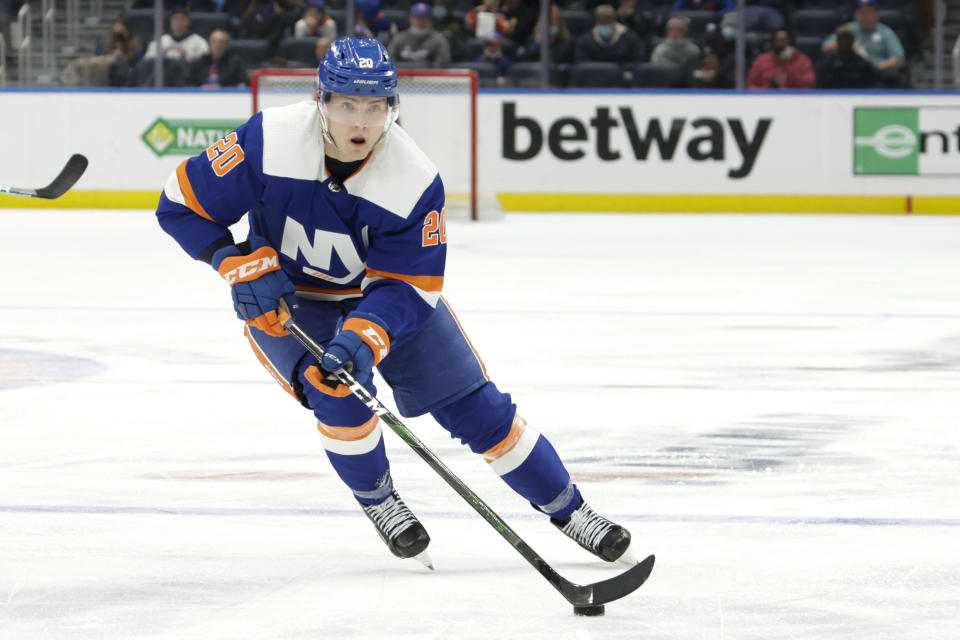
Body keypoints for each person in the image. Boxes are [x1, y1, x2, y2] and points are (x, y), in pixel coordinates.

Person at [155, 36, 633, 568]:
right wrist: (234, 261)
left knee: (478, 409)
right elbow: (180, 205)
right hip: (290, 302)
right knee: (334, 394)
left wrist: (363, 337)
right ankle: (379, 500)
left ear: (392, 108)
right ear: (321, 100)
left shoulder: (414, 179)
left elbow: (409, 284)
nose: (360, 122)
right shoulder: (269, 139)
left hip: (381, 301)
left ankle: (570, 509)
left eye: (375, 107)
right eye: (347, 105)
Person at [822, 0, 905, 87]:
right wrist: (848, 45)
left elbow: (898, 58)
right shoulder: (848, 29)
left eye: (869, 12)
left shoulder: (885, 32)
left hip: (876, 78)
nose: (865, 16)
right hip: (849, 76)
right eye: (861, 12)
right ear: (855, 15)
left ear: (877, 14)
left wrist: (876, 68)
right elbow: (826, 47)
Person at [387, 2, 452, 68]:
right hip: (402, 77)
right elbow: (389, 61)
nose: (421, 20)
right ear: (411, 18)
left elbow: (443, 63)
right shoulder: (400, 38)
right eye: (418, 17)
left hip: (430, 77)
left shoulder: (438, 39)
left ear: (430, 19)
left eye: (424, 17)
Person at [746, 29, 815, 90]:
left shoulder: (803, 61)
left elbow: (809, 84)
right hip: (767, 99)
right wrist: (765, 92)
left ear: (791, 42)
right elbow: (750, 85)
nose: (781, 43)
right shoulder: (761, 60)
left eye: (784, 40)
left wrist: (788, 67)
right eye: (778, 40)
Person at [574, 3, 641, 65]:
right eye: (602, 22)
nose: (605, 25)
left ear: (614, 20)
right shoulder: (586, 40)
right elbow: (580, 61)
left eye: (608, 21)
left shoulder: (630, 37)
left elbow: (638, 59)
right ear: (596, 21)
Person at [816, 24, 877, 89]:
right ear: (837, 41)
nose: (844, 42)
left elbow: (870, 84)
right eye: (842, 39)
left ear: (852, 40)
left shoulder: (862, 63)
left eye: (848, 39)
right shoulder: (827, 63)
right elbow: (821, 84)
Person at [143, 5, 210, 63]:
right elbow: (147, 62)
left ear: (188, 21)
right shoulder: (160, 42)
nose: (178, 22)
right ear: (171, 21)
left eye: (182, 19)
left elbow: (204, 66)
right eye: (175, 19)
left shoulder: (199, 43)